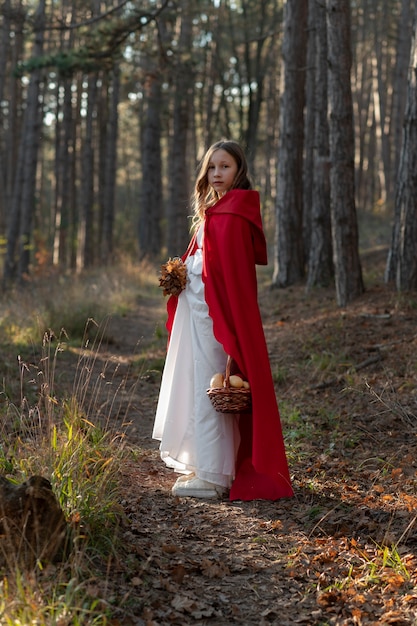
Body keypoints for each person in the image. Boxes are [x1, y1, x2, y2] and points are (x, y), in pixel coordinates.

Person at [153, 140, 294, 501]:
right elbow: (207, 264)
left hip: (215, 319)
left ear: (239, 171)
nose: (217, 173)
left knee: (212, 388)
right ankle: (205, 465)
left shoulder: (232, 215)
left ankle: (215, 476)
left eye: (225, 167)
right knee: (201, 385)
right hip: (200, 313)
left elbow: (231, 279)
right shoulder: (215, 211)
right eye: (212, 167)